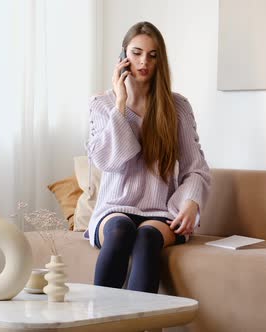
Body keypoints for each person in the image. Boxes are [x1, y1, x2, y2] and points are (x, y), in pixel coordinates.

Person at [84, 21, 211, 293]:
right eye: (136, 53)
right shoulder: (102, 104)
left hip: (161, 212)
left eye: (153, 55)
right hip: (114, 209)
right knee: (121, 231)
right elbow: (109, 161)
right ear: (123, 57)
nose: (144, 61)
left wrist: (191, 201)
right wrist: (119, 106)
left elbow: (195, 168)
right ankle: (99, 321)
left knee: (146, 238)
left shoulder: (177, 107)